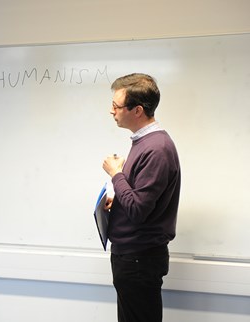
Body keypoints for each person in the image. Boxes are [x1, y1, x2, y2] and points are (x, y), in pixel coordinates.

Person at [102, 73, 181, 322]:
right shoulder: (145, 142)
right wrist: (119, 203)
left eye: (116, 106)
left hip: (139, 259)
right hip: (133, 256)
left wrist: (116, 174)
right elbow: (140, 200)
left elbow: (138, 210)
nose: (111, 111)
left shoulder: (156, 148)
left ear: (137, 111)